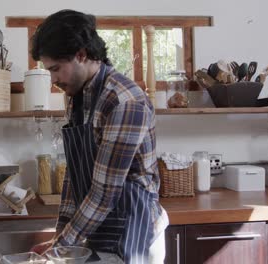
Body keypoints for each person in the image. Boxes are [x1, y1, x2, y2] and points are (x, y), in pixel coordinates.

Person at [29, 10, 169, 263]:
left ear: (81, 55)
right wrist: (58, 236)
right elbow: (74, 174)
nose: (53, 80)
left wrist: (58, 248)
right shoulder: (78, 98)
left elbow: (104, 193)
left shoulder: (124, 101)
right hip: (100, 229)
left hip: (134, 232)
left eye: (56, 69)